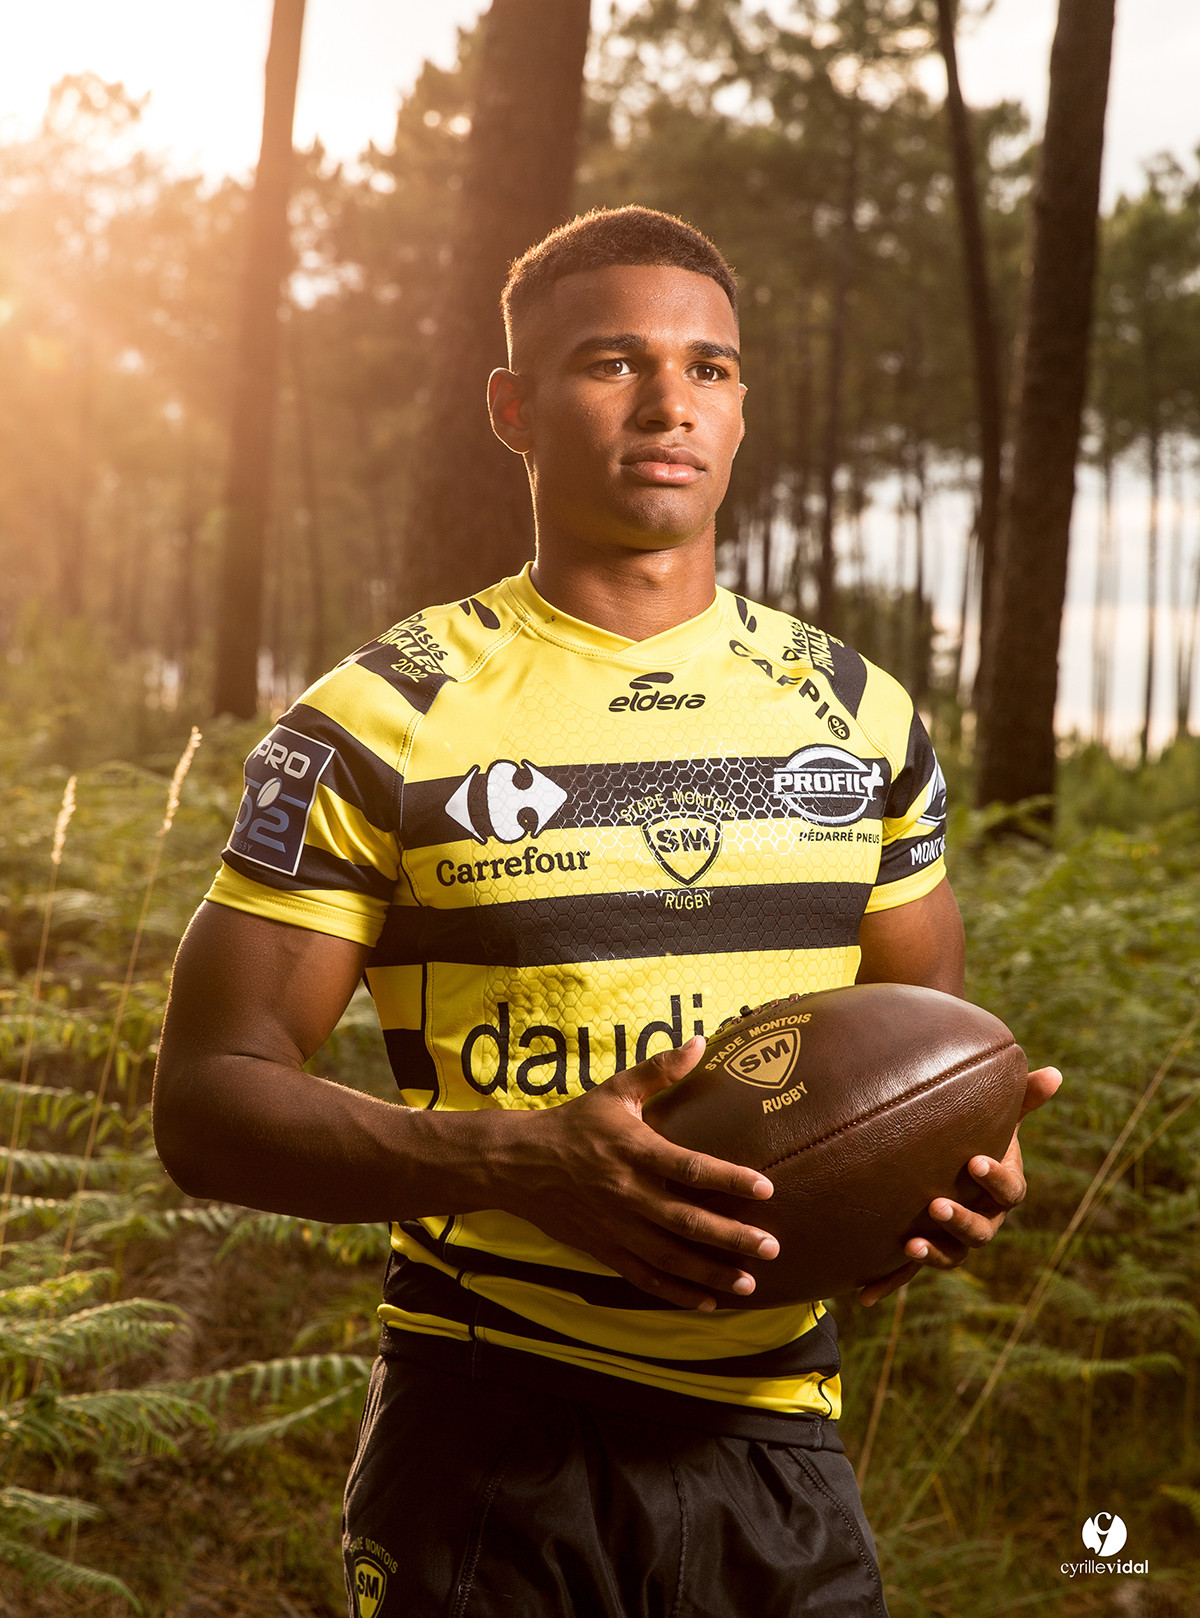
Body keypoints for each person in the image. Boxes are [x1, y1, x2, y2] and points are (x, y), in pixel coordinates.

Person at [153, 206, 1060, 1618]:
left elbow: (911, 1057)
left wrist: (942, 1185)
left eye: (710, 368)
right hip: (493, 1427)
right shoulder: (383, 716)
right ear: (512, 409)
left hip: (781, 1445)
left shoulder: (860, 715)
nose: (667, 404)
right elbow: (208, 1099)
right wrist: (521, 1162)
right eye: (612, 362)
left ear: (742, 408)